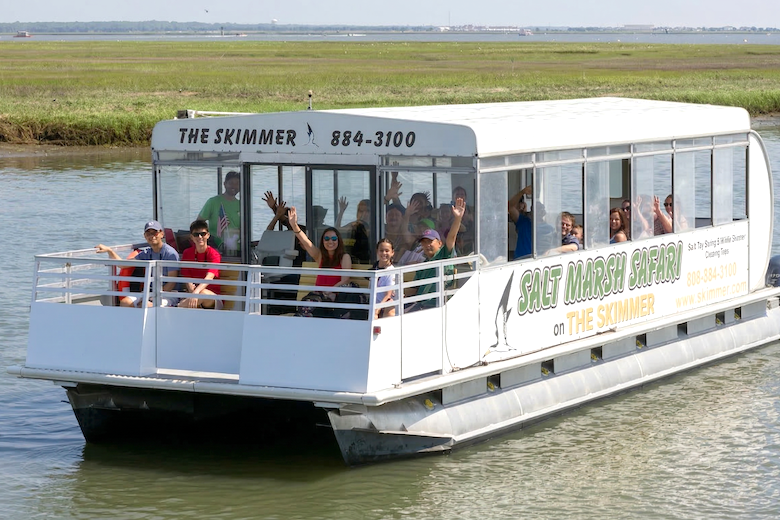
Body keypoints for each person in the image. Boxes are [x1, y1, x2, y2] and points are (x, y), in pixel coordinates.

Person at [95, 220, 179, 307]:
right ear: (145, 236)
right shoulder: (147, 253)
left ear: (162, 234)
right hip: (151, 292)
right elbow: (123, 265)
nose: (152, 236)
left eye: (155, 233)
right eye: (148, 233)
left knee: (145, 305)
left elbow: (172, 282)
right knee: (125, 302)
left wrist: (154, 296)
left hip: (169, 294)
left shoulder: (170, 254)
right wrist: (110, 251)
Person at [288, 207, 353, 317]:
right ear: (322, 241)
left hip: (333, 298)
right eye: (326, 239)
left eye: (333, 238)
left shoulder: (344, 257)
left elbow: (345, 280)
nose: (330, 241)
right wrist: (294, 226)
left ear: (338, 240)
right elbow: (306, 242)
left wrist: (328, 291)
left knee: (308, 309)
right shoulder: (320, 256)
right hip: (318, 297)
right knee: (305, 308)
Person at [407, 198, 465, 310]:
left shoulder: (444, 254)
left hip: (437, 305)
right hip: (419, 305)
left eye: (430, 241)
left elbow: (451, 237)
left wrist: (458, 218)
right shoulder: (422, 265)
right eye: (424, 243)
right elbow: (415, 288)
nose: (427, 245)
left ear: (439, 243)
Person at [178, 219, 221, 309]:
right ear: (192, 237)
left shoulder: (214, 254)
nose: (200, 237)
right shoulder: (187, 253)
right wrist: (191, 289)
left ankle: (176, 307)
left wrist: (196, 292)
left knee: (203, 293)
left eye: (203, 234)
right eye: (196, 234)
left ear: (208, 235)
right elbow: (186, 276)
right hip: (193, 294)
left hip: (212, 298)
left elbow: (209, 277)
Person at [197, 170, 240, 253]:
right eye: (231, 183)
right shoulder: (213, 202)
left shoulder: (242, 205)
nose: (234, 186)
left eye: (237, 183)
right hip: (216, 248)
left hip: (238, 249)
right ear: (224, 184)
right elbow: (199, 223)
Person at [336, 197, 371, 263]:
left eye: (367, 211)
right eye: (361, 211)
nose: (364, 214)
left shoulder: (377, 227)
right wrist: (341, 212)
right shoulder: (353, 225)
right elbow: (337, 230)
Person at [372, 238, 397, 319]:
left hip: (383, 306)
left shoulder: (391, 271)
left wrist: (377, 309)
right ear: (377, 251)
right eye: (381, 250)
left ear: (392, 252)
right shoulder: (374, 268)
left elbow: (388, 295)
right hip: (372, 304)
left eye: (387, 251)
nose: (384, 253)